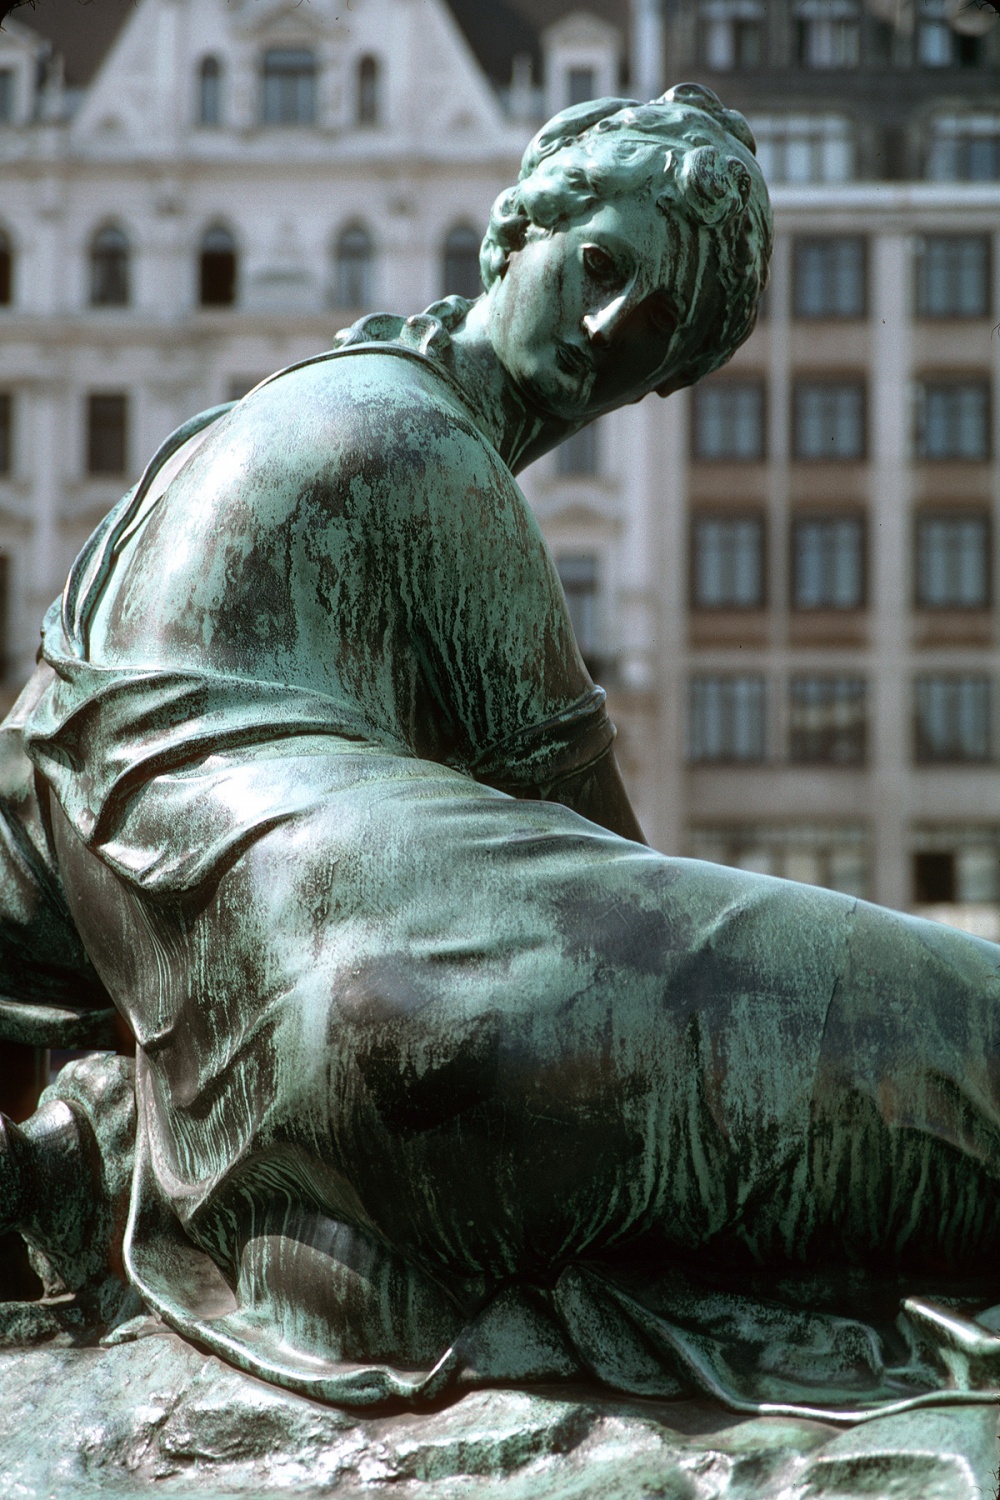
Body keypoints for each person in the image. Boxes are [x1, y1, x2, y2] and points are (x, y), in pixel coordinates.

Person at [2, 83, 1000, 1421]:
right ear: (514, 228)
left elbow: (30, 830)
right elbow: (614, 870)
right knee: (955, 1025)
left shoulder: (213, 452)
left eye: (653, 338)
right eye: (600, 270)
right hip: (435, 1013)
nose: (605, 335)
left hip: (262, 1088)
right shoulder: (424, 444)